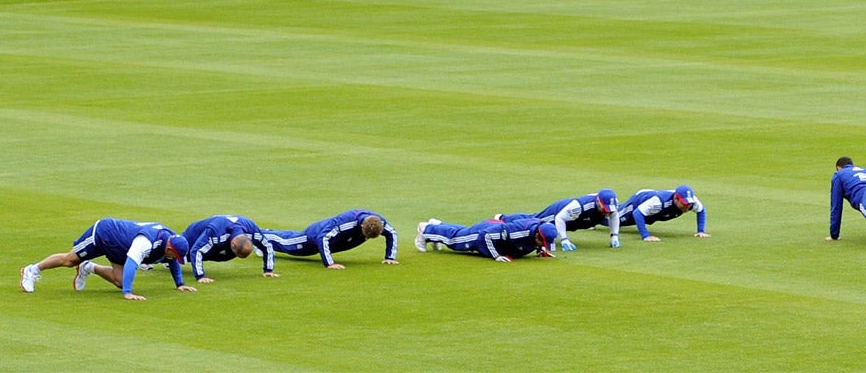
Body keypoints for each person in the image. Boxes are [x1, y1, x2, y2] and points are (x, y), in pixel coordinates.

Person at [20, 219, 190, 299]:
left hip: (121, 247)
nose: (175, 259)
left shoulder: (170, 242)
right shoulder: (147, 241)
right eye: (175, 255)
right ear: (169, 248)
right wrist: (128, 293)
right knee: (69, 260)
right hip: (104, 234)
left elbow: (172, 260)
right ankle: (32, 270)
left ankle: (88, 268)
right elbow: (132, 262)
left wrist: (180, 284)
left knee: (120, 281)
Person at [263, 210, 398, 268]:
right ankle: (262, 236)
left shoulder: (380, 223)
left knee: (294, 245)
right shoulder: (346, 222)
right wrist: (330, 263)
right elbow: (323, 237)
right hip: (316, 235)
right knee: (291, 246)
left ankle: (265, 240)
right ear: (362, 225)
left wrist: (389, 257)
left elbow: (392, 233)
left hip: (338, 241)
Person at [414, 214, 558, 262]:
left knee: (463, 232)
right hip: (485, 232)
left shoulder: (537, 230)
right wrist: (496, 256)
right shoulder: (516, 233)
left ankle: (437, 225)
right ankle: (426, 231)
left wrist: (541, 250)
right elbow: (487, 236)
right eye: (542, 242)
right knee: (456, 241)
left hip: (495, 227)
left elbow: (534, 241)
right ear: (537, 234)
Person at [180, 214, 275, 282]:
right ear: (233, 244)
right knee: (181, 254)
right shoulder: (216, 233)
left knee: (221, 255)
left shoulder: (253, 232)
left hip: (221, 241)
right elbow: (196, 250)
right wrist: (200, 276)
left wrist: (268, 270)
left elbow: (267, 246)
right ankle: (171, 260)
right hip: (193, 234)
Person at [617, 186, 708, 242]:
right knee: (611, 220)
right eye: (684, 204)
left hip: (650, 213)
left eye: (689, 204)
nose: (687, 207)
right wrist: (646, 236)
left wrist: (701, 231)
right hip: (638, 202)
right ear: (676, 198)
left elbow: (701, 210)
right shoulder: (659, 201)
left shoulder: (692, 201)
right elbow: (637, 213)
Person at [536, 189, 622, 249]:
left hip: (577, 221)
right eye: (604, 209)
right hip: (560, 211)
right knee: (537, 221)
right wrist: (564, 240)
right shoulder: (580, 206)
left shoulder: (613, 204)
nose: (607, 213)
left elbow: (614, 215)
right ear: (598, 202)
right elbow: (559, 218)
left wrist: (614, 237)